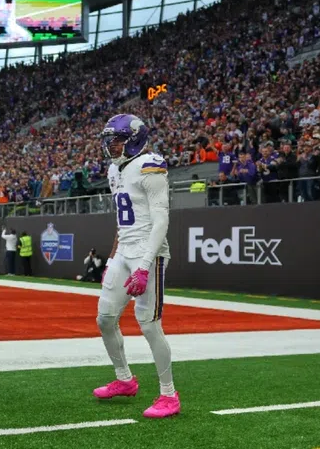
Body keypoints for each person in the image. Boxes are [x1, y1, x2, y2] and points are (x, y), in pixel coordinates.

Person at [94, 114, 179, 418]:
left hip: (148, 251)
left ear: (134, 140)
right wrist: (111, 259)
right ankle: (125, 379)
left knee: (149, 324)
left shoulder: (150, 166)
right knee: (105, 319)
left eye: (117, 140)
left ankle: (169, 395)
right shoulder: (114, 170)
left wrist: (144, 265)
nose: (111, 145)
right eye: (110, 140)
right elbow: (121, 223)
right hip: (124, 250)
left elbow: (161, 220)